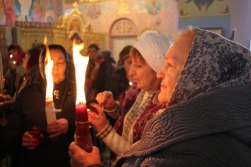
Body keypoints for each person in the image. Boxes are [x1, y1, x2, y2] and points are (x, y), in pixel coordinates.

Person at [69, 27, 251, 167]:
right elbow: (126, 115)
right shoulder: (190, 119)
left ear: (197, 74)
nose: (159, 74)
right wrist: (113, 108)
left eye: (170, 65)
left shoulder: (185, 143)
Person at [85, 33, 172, 161]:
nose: (131, 72)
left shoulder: (165, 107)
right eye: (130, 63)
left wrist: (104, 128)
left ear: (157, 68)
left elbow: (139, 155)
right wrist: (113, 106)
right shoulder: (137, 88)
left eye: (138, 65)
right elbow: (126, 112)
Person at [1, 44, 76, 167]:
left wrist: (69, 125)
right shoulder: (28, 92)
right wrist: (22, 138)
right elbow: (10, 130)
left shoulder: (76, 91)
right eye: (49, 62)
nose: (55, 67)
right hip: (31, 160)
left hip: (65, 160)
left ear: (67, 65)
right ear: (41, 65)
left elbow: (89, 125)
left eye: (61, 62)